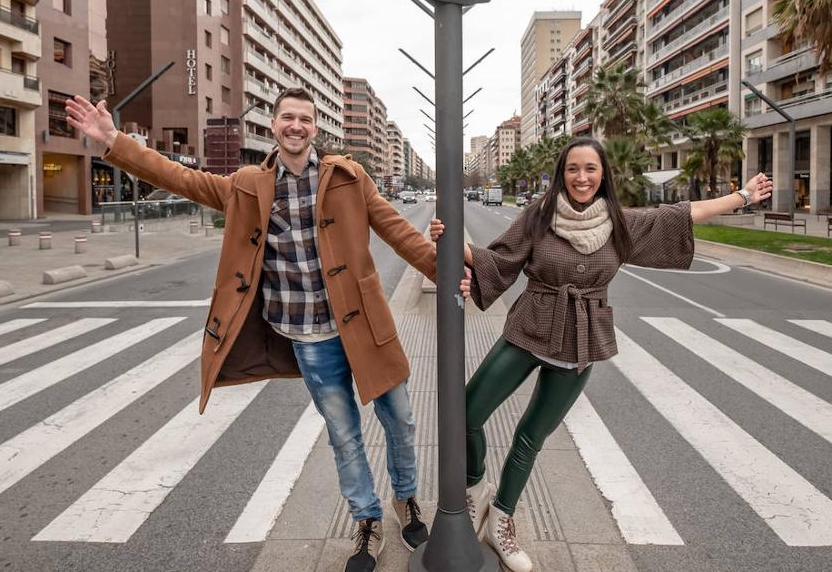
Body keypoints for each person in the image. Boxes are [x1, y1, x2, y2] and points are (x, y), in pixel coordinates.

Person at [65, 88, 436, 572]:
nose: (296, 126)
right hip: (308, 338)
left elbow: (398, 231)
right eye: (287, 117)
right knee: (344, 435)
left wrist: (447, 270)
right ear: (275, 124)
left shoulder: (349, 177)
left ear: (315, 128)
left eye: (305, 118)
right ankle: (365, 519)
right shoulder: (246, 185)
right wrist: (115, 140)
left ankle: (405, 497)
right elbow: (181, 177)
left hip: (366, 328)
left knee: (401, 420)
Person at [430, 136, 772, 572]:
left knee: (530, 439)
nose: (582, 177)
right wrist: (450, 241)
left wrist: (740, 197)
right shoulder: (538, 215)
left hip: (581, 340)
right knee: (467, 412)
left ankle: (502, 520)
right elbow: (501, 259)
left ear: (603, 174)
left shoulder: (619, 222)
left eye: (590, 168)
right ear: (562, 174)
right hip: (529, 326)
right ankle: (475, 488)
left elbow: (681, 214)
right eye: (573, 168)